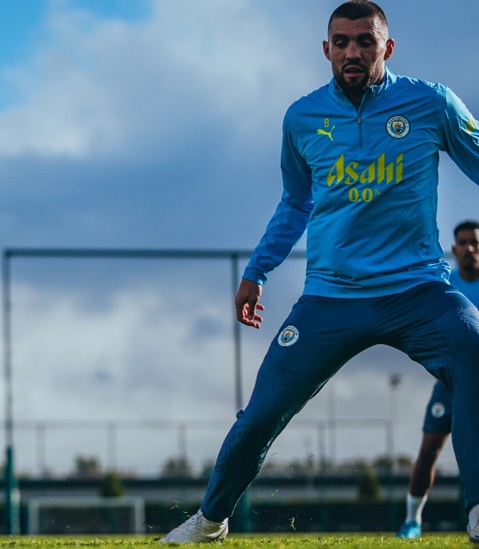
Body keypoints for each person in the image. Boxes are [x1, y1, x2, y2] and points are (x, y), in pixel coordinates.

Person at [160, 1, 479, 544]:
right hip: (331, 298)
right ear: (326, 48)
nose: (353, 51)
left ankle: (476, 512)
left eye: (366, 41)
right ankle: (210, 521)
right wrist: (257, 270)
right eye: (342, 41)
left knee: (475, 350)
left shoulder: (431, 104)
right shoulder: (302, 118)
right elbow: (295, 204)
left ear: (388, 48)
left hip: (421, 290)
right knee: (261, 414)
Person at [396, 220, 479, 539]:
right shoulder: (446, 286)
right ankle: (412, 521)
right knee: (430, 447)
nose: (470, 248)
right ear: (455, 249)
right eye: (464, 242)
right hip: (450, 384)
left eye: (475, 242)